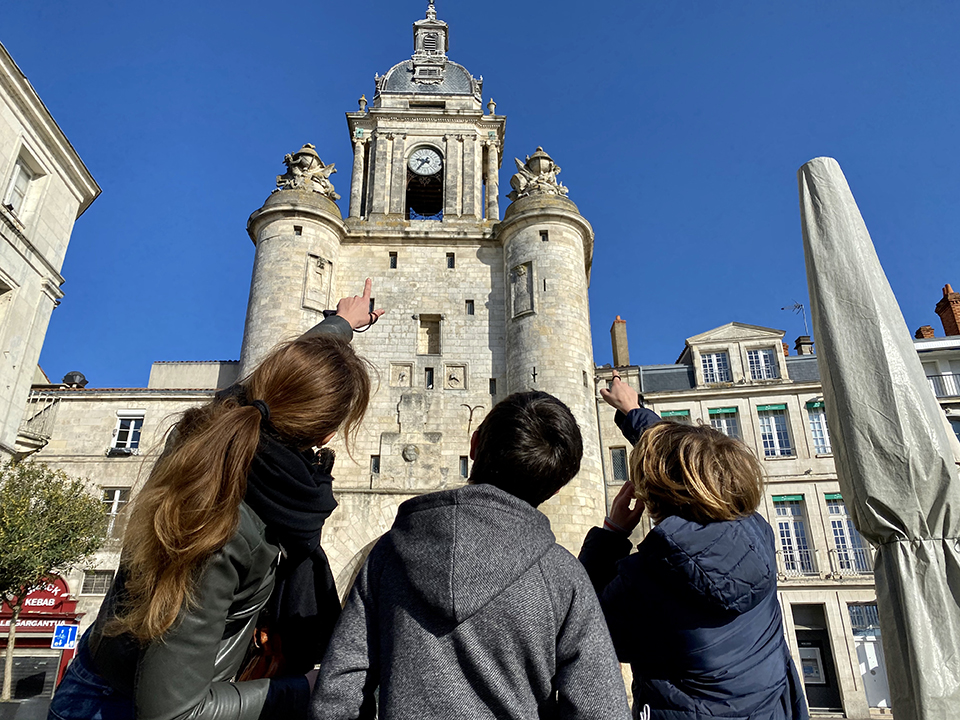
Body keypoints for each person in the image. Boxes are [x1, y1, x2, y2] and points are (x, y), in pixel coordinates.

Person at [49, 281, 385, 720]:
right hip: (121, 706)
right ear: (327, 434)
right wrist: (302, 689)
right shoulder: (228, 529)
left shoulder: (200, 437)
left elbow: (265, 388)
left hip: (104, 677)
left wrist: (340, 324)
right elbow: (172, 710)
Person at [311, 391, 631, 720]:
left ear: (474, 445)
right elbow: (602, 709)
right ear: (558, 488)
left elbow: (338, 694)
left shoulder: (388, 555)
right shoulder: (564, 578)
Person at [580, 373, 808, 720]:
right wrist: (633, 412)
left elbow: (585, 628)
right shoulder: (756, 533)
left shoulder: (644, 578)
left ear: (654, 493)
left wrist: (611, 536)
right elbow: (688, 461)